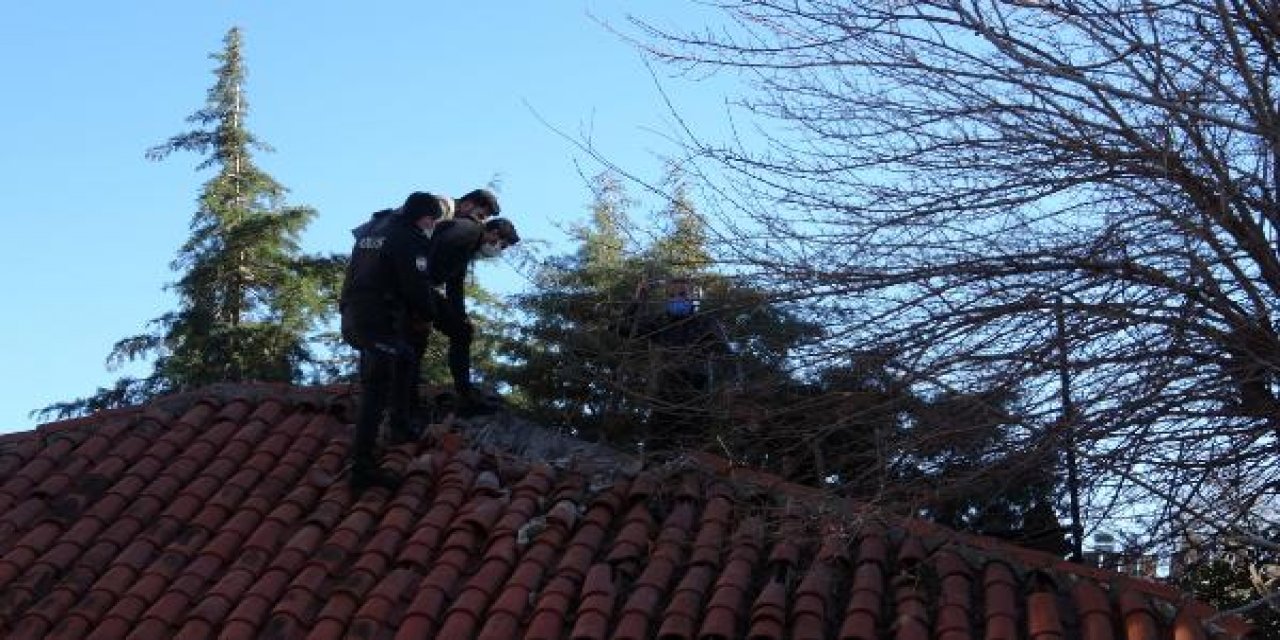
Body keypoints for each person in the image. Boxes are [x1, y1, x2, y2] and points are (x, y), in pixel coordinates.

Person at [338, 191, 448, 490]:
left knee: (395, 365)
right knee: (379, 386)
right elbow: (415, 285)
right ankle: (364, 464)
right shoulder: (409, 238)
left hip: (353, 316)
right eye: (433, 221)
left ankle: (395, 428)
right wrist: (434, 314)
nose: (432, 226)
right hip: (378, 320)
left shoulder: (372, 231)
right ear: (425, 218)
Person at [409, 189, 519, 416]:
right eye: (502, 245)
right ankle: (461, 392)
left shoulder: (467, 240)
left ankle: (453, 389)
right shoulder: (469, 230)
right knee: (442, 331)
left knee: (460, 330)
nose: (498, 250)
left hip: (419, 285)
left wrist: (460, 316)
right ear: (495, 234)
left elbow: (455, 286)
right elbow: (432, 251)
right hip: (415, 284)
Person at [619, 276, 732, 452]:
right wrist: (638, 300)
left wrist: (729, 387)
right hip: (664, 390)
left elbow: (726, 356)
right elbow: (624, 328)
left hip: (697, 390)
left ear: (694, 297)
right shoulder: (660, 323)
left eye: (682, 294)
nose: (677, 298)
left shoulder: (707, 323)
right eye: (672, 295)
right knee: (656, 445)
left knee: (694, 448)